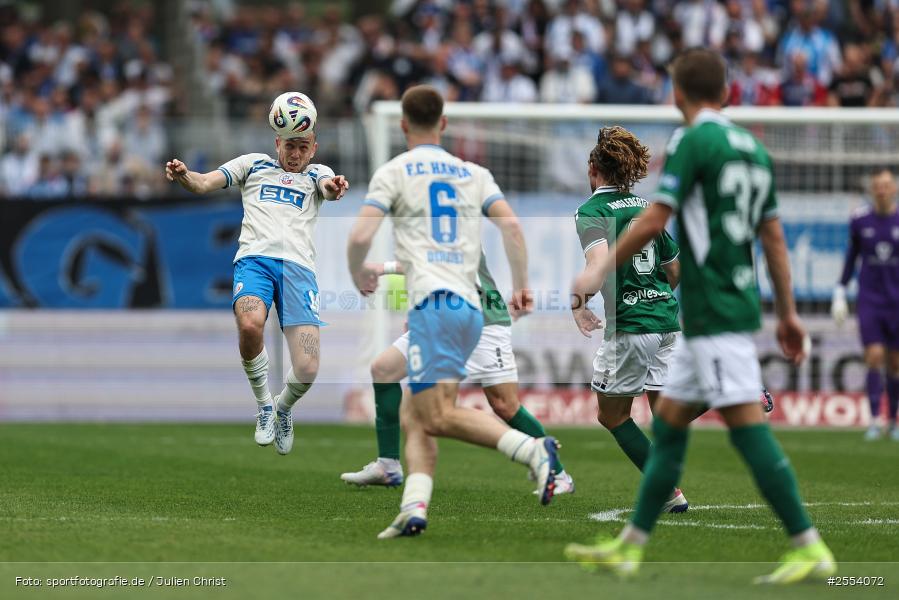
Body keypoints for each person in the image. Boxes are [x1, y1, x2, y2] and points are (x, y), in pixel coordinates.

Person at [564, 48, 836, 584]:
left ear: (677, 94)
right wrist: (786, 312)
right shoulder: (752, 149)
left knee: (733, 429)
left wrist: (596, 277)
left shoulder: (691, 142)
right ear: (729, 92)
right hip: (702, 312)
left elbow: (656, 219)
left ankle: (808, 544)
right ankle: (632, 546)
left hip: (706, 315)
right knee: (666, 426)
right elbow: (771, 237)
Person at [347, 85, 560, 539]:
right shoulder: (473, 173)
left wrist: (357, 274)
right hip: (467, 307)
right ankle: (413, 506)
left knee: (439, 416)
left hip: (435, 307)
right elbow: (512, 227)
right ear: (444, 124)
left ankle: (536, 451)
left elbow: (359, 237)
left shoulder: (394, 172)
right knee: (417, 413)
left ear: (403, 124)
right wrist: (521, 286)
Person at [164, 92, 349, 455]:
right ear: (277, 142)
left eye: (303, 147)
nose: (295, 154)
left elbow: (330, 187)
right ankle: (264, 404)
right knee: (250, 324)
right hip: (255, 262)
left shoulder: (317, 175)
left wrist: (336, 186)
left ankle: (283, 408)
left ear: (313, 148)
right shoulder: (253, 165)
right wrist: (185, 175)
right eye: (289, 146)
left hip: (299, 272)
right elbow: (203, 183)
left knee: (308, 368)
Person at [340, 253, 574, 494]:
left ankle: (558, 474)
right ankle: (388, 465)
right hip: (439, 320)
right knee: (383, 369)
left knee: (503, 404)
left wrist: (382, 267)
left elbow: (441, 265)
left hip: (482, 322)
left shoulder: (455, 219)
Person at [571, 125, 688, 514]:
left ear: (594, 168)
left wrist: (578, 300)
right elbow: (675, 270)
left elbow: (598, 264)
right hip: (667, 322)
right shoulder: (646, 207)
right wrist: (654, 296)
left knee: (612, 414)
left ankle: (667, 490)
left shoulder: (592, 210)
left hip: (632, 325)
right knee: (664, 412)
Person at [832, 169, 899, 441]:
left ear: (893, 189)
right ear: (872, 189)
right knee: (873, 356)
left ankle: (893, 422)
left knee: (895, 364)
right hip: (870, 300)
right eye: (877, 186)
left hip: (897, 302)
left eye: (886, 185)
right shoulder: (860, 220)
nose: (881, 190)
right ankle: (873, 420)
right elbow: (851, 258)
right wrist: (839, 291)